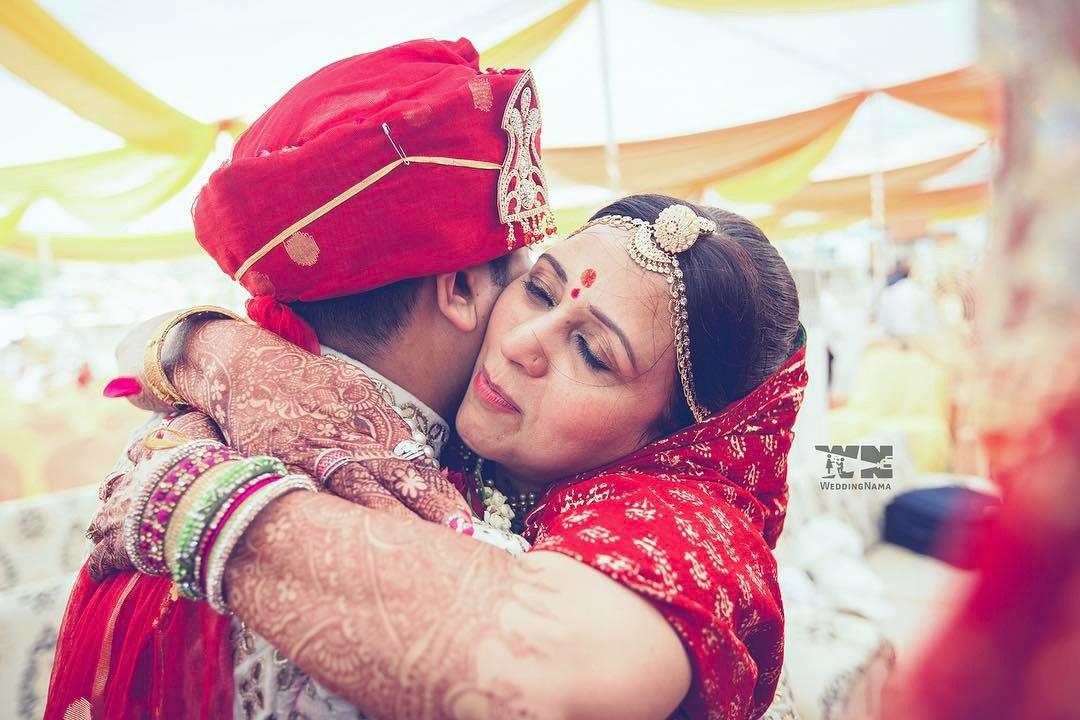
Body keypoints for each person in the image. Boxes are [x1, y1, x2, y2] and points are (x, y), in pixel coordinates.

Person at [85, 194, 807, 719]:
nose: (526, 342)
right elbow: (132, 343)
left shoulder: (696, 528)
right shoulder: (474, 408)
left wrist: (193, 507)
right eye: (539, 289)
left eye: (591, 351)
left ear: (670, 435)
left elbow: (550, 673)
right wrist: (221, 351)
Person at [46, 37, 557, 720]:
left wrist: (199, 341)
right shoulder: (399, 508)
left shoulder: (189, 422)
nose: (531, 332)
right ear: (461, 287)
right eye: (527, 284)